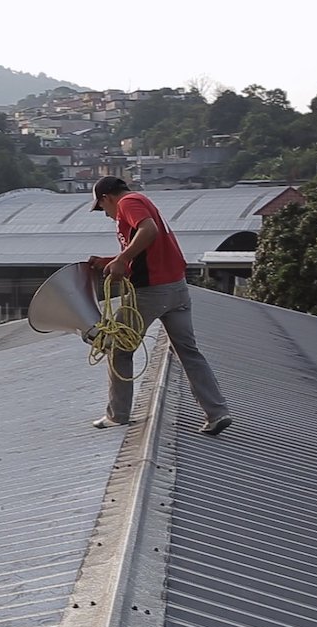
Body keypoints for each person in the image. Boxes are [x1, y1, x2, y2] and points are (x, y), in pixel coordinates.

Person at [87, 176, 233, 435]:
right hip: (177, 288)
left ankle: (117, 415)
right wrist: (112, 259)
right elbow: (149, 249)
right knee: (188, 352)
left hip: (151, 291)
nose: (107, 215)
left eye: (102, 208)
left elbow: (149, 230)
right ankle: (217, 412)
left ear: (106, 198)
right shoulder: (142, 200)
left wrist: (122, 259)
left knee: (118, 348)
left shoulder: (128, 203)